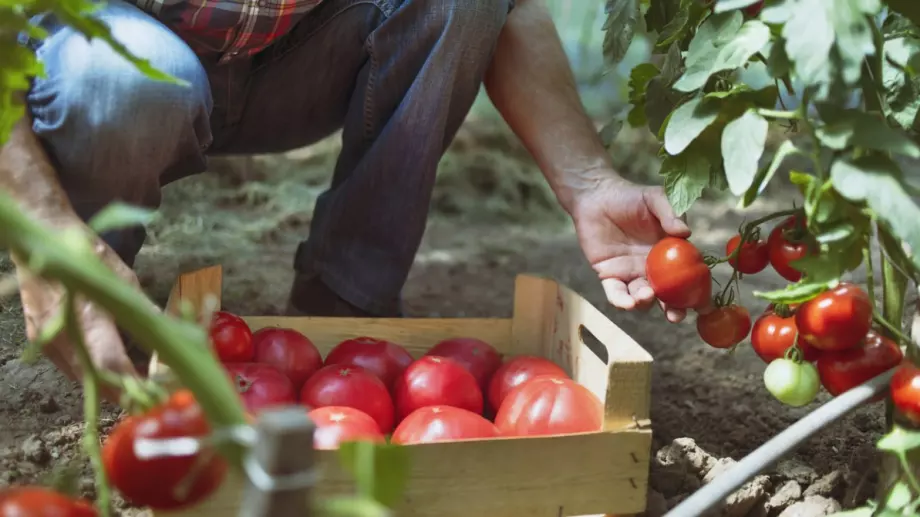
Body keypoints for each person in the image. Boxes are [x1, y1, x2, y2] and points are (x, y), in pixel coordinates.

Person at [2, 0, 693, 385]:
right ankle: (88, 285)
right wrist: (47, 233)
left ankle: (347, 306)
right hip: (111, 58)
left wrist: (589, 181)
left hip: (297, 61)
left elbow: (507, 8)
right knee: (130, 85)